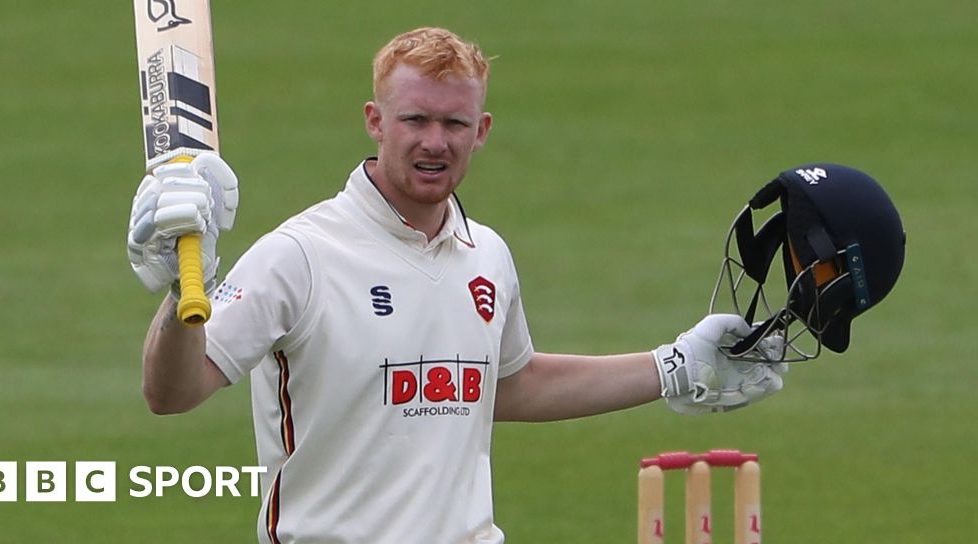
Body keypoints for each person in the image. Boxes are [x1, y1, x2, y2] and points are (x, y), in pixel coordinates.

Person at [127, 27, 786, 544]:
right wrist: (188, 288)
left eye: (454, 124)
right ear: (375, 121)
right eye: (415, 120)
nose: (434, 143)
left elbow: (511, 384)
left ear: (483, 131)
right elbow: (172, 393)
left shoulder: (487, 257)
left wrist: (673, 367)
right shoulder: (300, 255)